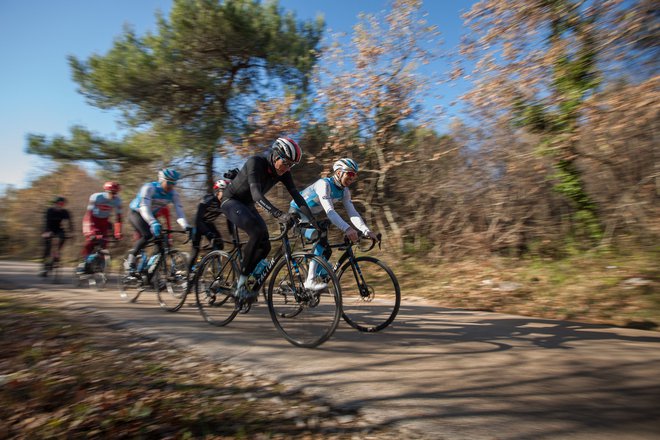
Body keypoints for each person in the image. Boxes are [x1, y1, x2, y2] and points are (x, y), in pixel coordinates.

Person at [221, 137, 317, 300]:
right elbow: (256, 195)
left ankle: (250, 272)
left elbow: (297, 197)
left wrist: (313, 221)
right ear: (275, 155)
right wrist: (279, 214)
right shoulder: (256, 162)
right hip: (232, 201)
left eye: (291, 165)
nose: (287, 168)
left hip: (248, 205)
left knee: (265, 246)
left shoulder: (284, 172)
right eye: (286, 162)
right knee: (257, 233)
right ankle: (240, 286)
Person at [290, 158, 378, 290]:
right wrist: (347, 229)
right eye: (350, 174)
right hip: (295, 215)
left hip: (310, 217)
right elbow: (330, 211)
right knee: (319, 235)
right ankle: (310, 281)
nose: (352, 178)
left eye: (354, 175)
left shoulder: (344, 191)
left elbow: (352, 213)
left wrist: (366, 230)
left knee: (326, 247)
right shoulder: (323, 184)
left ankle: (319, 271)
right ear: (338, 173)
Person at [125, 168, 191, 272]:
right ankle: (131, 259)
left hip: (151, 215)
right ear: (162, 180)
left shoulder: (174, 194)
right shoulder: (149, 188)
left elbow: (179, 212)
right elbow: (144, 207)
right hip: (137, 213)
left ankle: (149, 271)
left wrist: (186, 226)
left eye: (174, 183)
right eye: (169, 183)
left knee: (161, 242)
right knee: (147, 235)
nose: (171, 186)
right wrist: (153, 222)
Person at [76, 182, 123, 274]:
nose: (112, 195)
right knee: (91, 240)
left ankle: (99, 264)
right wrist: (92, 231)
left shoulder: (117, 201)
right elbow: (89, 214)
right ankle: (84, 263)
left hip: (104, 222)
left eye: (115, 193)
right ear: (106, 190)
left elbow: (119, 218)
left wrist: (118, 232)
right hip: (91, 220)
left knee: (104, 242)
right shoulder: (96, 197)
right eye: (111, 192)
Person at [188, 178, 230, 272]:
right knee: (195, 249)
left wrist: (233, 237)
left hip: (208, 223)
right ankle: (188, 276)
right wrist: (208, 234)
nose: (227, 195)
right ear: (218, 191)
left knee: (219, 245)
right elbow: (199, 219)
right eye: (225, 192)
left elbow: (229, 220)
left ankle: (204, 261)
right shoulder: (209, 199)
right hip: (198, 224)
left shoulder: (225, 204)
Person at [41, 196, 73, 276]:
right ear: (55, 204)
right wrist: (47, 232)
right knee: (47, 247)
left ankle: (57, 253)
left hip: (59, 229)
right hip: (49, 228)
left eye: (62, 204)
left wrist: (71, 232)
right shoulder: (50, 211)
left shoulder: (65, 212)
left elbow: (70, 223)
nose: (60, 205)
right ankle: (44, 267)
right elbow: (46, 223)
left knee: (63, 237)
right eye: (59, 204)